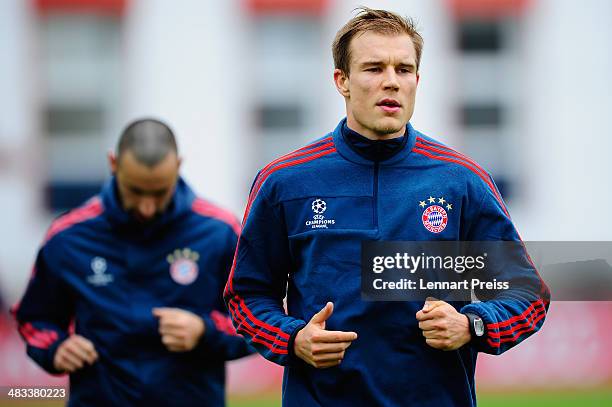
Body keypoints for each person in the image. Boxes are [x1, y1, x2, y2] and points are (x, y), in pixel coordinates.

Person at [224, 7, 550, 407]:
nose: (391, 82)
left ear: (417, 79)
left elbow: (527, 295)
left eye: (404, 69)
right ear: (341, 81)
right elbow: (247, 296)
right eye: (374, 68)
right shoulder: (286, 181)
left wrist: (472, 325)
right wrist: (293, 338)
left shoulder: (461, 181)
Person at [12, 118, 252, 406]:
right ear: (113, 163)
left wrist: (205, 331)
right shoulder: (69, 236)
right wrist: (56, 348)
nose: (146, 207)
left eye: (159, 192)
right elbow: (35, 319)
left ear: (178, 165)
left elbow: (256, 321)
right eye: (136, 191)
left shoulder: (220, 232)